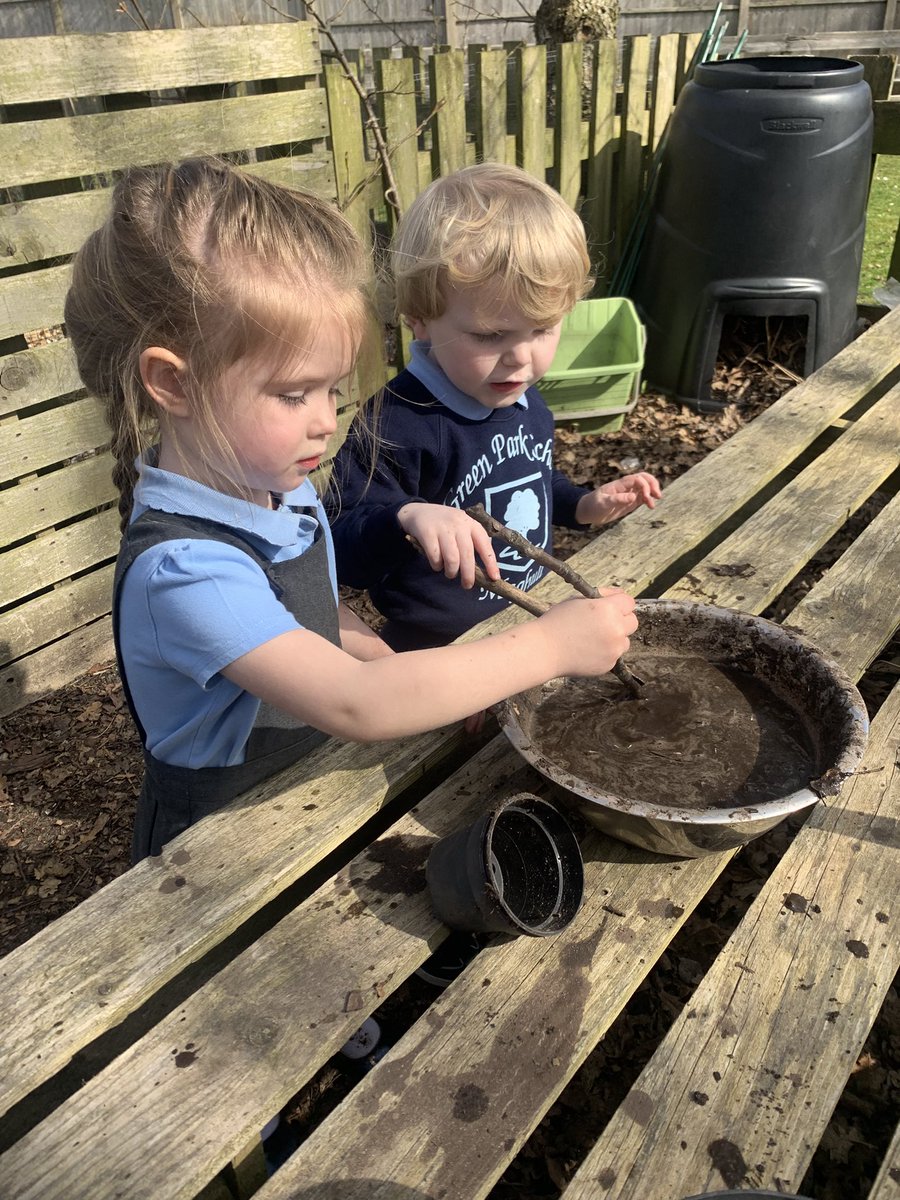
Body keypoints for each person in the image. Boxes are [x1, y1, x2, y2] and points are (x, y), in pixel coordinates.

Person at [63, 156, 638, 868]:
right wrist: (548, 648)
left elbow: (317, 619)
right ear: (172, 384)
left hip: (303, 794)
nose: (329, 422)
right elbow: (356, 702)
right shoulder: (187, 569)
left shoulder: (275, 483)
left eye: (333, 388)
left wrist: (419, 675)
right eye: (295, 393)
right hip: (218, 849)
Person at [326, 162, 661, 654]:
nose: (522, 357)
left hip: (532, 619)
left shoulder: (521, 396)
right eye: (490, 335)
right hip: (440, 647)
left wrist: (586, 505)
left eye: (542, 329)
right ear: (419, 319)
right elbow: (340, 544)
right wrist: (406, 516)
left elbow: (533, 480)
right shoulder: (397, 423)